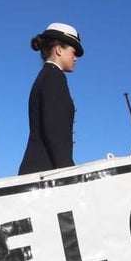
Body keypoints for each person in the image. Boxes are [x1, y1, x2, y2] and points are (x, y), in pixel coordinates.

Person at [19, 23, 83, 175]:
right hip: (45, 171)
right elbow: (54, 130)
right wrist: (68, 171)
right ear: (59, 50)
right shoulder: (54, 78)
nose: (76, 58)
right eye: (73, 52)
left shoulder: (46, 76)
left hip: (38, 169)